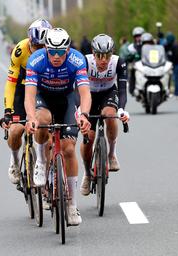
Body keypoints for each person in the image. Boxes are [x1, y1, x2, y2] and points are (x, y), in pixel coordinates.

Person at [24, 28, 91, 225]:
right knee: (42, 120)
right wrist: (30, 117)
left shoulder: (77, 60)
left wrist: (85, 115)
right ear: (45, 48)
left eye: (61, 52)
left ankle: (71, 205)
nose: (55, 56)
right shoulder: (36, 60)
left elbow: (85, 93)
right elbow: (29, 95)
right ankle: (42, 162)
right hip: (43, 98)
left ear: (68, 50)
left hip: (66, 99)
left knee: (69, 148)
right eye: (51, 51)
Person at [0, 19, 52, 184]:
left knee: (47, 134)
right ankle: (15, 161)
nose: (38, 51)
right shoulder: (19, 50)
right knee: (15, 131)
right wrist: (8, 111)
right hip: (22, 90)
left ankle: (48, 183)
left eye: (42, 47)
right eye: (35, 46)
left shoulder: (55, 51)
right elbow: (11, 83)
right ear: (30, 41)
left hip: (42, 90)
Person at [79, 34, 129, 196]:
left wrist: (121, 109)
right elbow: (75, 90)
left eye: (106, 55)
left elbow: (122, 89)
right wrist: (79, 110)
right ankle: (87, 173)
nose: (103, 60)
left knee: (110, 114)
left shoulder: (118, 62)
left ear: (111, 53)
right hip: (89, 97)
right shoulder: (84, 62)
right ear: (93, 54)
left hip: (108, 93)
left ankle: (111, 153)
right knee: (89, 139)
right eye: (99, 56)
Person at [127, 26, 145, 95]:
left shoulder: (147, 45)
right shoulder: (131, 47)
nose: (138, 38)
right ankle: (132, 88)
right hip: (137, 65)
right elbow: (128, 57)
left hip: (147, 64)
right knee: (132, 70)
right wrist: (132, 56)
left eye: (140, 36)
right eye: (137, 36)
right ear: (134, 37)